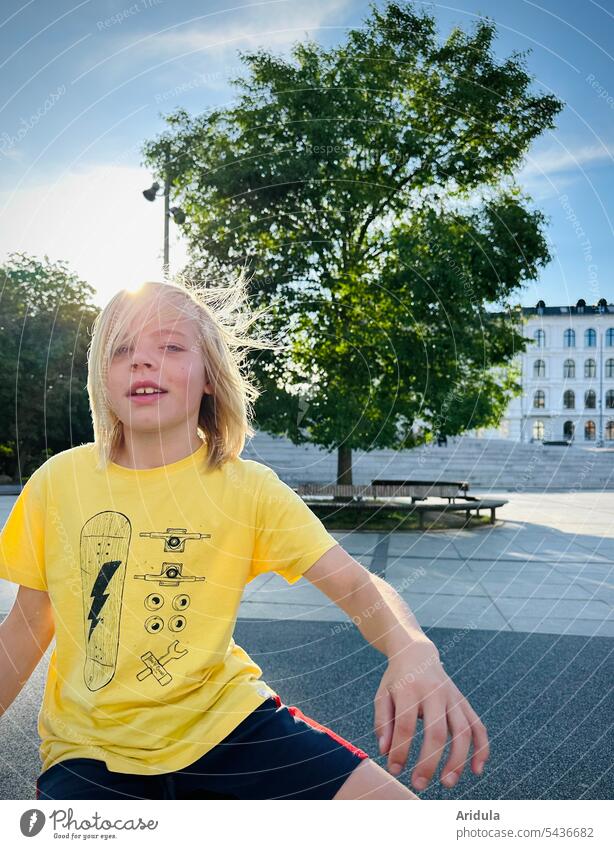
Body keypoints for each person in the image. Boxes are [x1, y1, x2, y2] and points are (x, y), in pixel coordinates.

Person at [0, 276, 489, 800]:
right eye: (121, 351)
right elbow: (30, 624)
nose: (142, 362)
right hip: (90, 754)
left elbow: (355, 584)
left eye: (169, 346)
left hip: (232, 726)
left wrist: (412, 648)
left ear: (209, 375)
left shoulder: (247, 488)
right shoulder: (59, 482)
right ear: (103, 376)